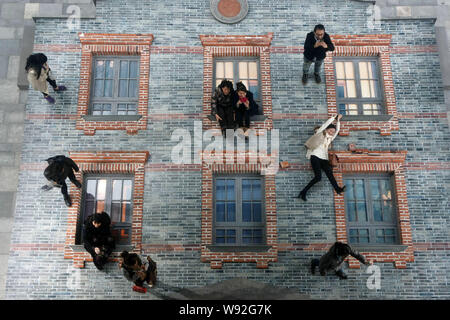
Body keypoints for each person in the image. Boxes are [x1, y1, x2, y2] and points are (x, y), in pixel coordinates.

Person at [297, 114, 346, 201]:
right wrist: (333, 118)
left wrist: (338, 121)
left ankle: (338, 189)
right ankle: (303, 192)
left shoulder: (330, 138)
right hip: (315, 157)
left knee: (330, 174)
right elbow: (325, 124)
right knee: (318, 177)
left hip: (324, 159)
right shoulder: (320, 133)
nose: (331, 133)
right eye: (330, 130)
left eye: (332, 132)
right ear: (326, 129)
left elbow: (337, 130)